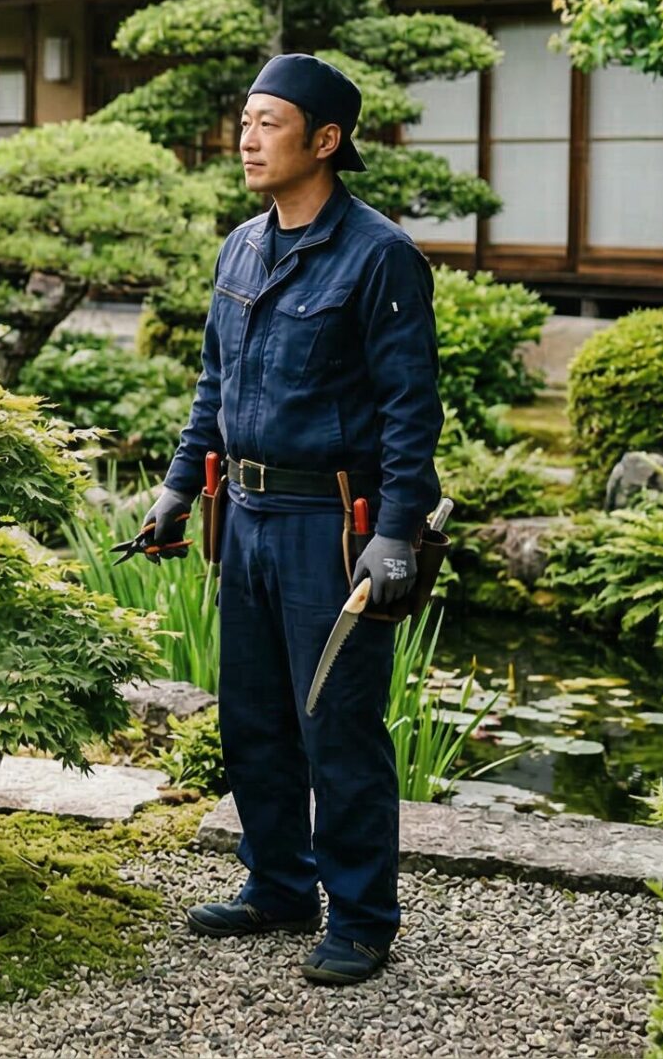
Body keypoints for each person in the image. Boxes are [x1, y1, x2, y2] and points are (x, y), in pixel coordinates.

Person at [133, 52, 443, 986]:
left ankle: (361, 917)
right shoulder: (242, 246)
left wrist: (395, 531)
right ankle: (276, 883)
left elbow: (409, 408)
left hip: (332, 525)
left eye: (268, 121)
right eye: (244, 120)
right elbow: (213, 385)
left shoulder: (379, 255)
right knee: (255, 717)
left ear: (326, 139)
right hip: (248, 513)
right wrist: (179, 486)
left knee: (336, 722)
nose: (247, 136)